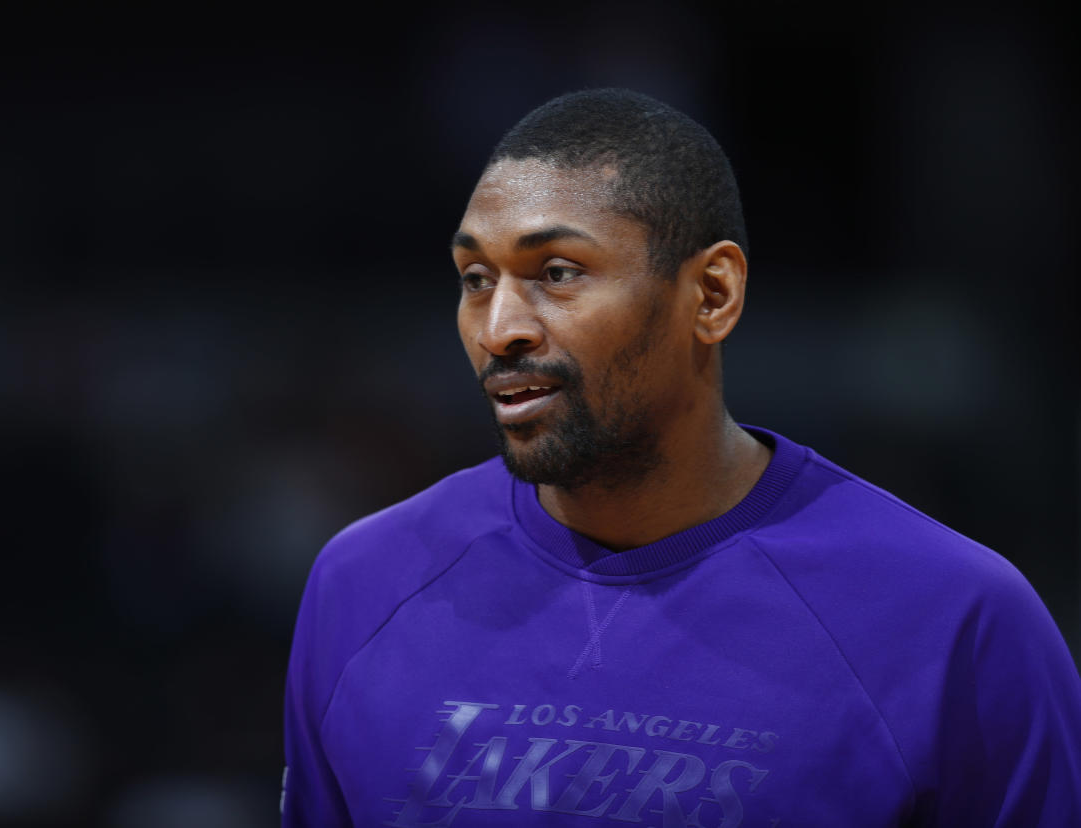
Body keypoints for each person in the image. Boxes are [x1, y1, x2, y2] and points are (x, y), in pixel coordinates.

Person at [281, 89, 1081, 827]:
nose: (499, 329)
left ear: (712, 295)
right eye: (476, 278)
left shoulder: (955, 620)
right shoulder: (363, 584)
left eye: (557, 274)